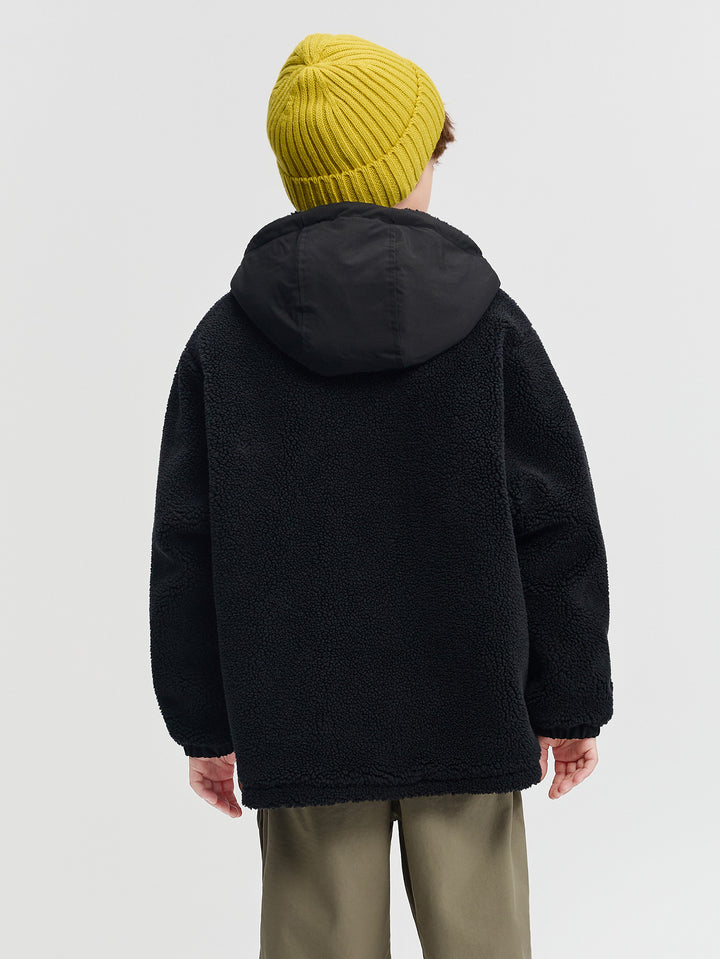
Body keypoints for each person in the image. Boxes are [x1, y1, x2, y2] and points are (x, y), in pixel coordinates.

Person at [149, 32, 614, 958]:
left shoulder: (224, 343)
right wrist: (570, 703)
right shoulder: (490, 325)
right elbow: (557, 523)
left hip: (302, 721)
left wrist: (203, 723)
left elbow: (186, 546)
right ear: (406, 169)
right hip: (471, 709)